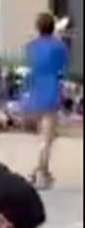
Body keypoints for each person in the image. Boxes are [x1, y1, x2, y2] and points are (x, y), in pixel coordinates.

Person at [22, 12, 70, 189]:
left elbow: (30, 62)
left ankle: (45, 171)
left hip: (33, 90)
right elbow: (63, 66)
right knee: (47, 138)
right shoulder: (59, 47)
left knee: (44, 137)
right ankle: (39, 172)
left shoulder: (31, 46)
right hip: (51, 90)